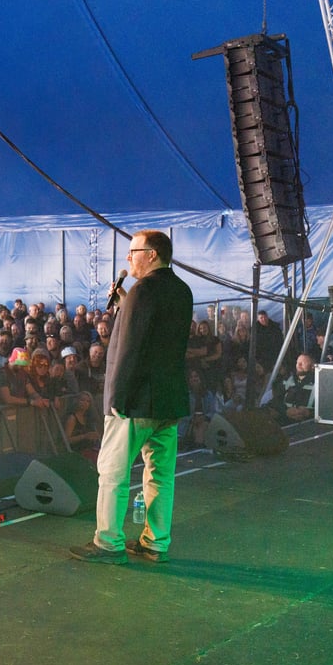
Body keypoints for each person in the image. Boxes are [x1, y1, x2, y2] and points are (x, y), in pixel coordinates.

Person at [70, 230, 193, 565]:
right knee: (160, 476)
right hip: (168, 401)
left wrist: (116, 399)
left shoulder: (143, 290)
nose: (128, 258)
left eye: (133, 251)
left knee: (112, 473)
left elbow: (130, 349)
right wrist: (126, 302)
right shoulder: (181, 290)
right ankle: (156, 542)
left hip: (135, 401)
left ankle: (108, 543)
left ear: (151, 253)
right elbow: (157, 332)